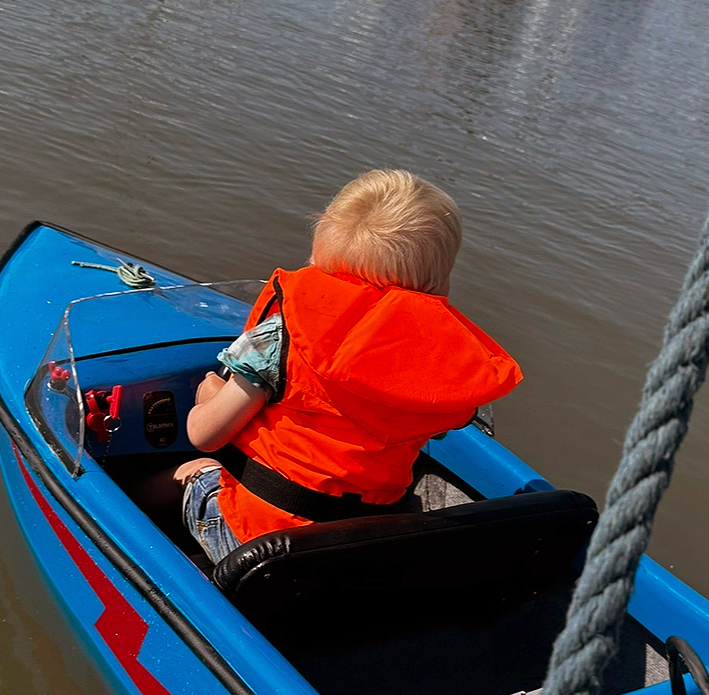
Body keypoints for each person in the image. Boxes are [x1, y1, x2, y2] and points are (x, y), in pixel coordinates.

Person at [172, 169, 522, 564]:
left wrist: (208, 394)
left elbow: (206, 435)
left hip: (259, 543)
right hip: (364, 543)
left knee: (191, 468)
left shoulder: (281, 336)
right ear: (438, 282)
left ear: (322, 253)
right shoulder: (445, 367)